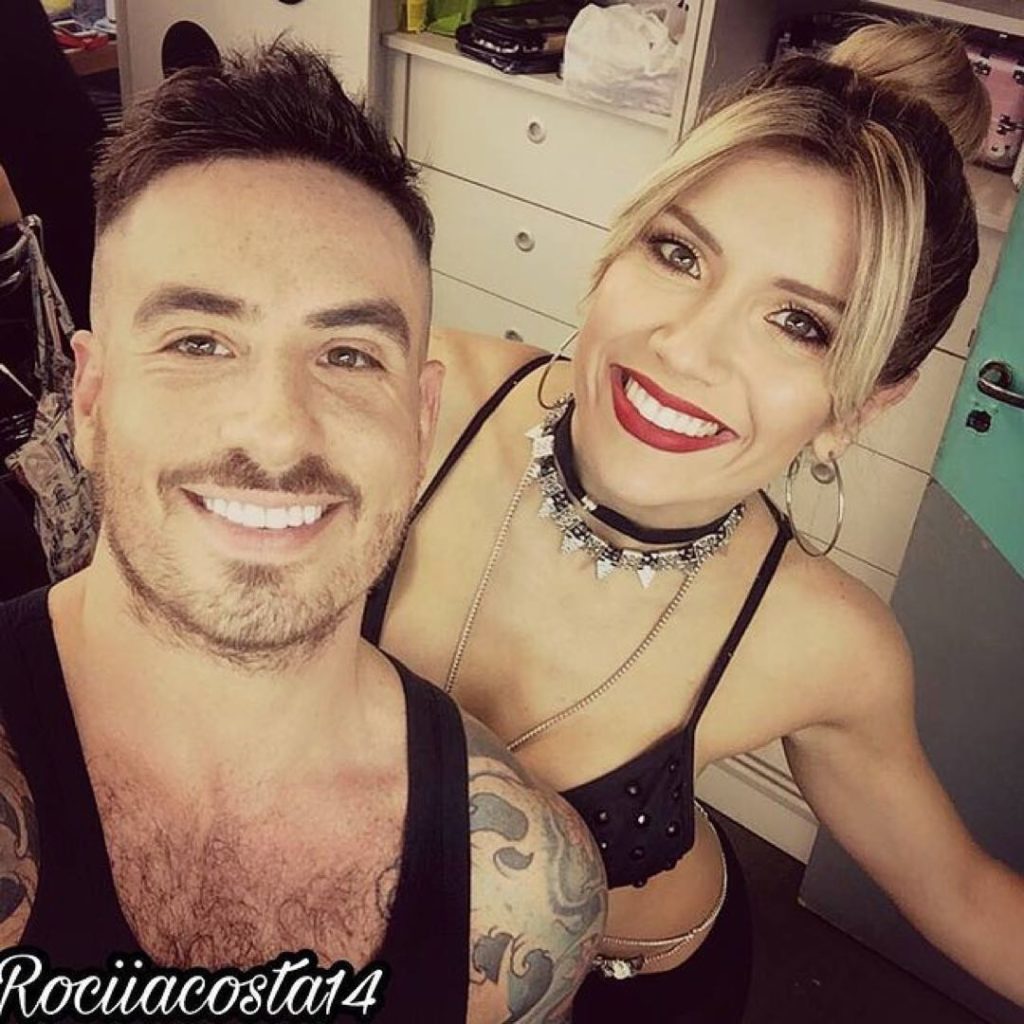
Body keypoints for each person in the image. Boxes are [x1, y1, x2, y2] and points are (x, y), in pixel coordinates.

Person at [361, 21, 1024, 1022]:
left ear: (861, 404)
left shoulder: (825, 645)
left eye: (799, 323)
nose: (688, 347)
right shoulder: (427, 399)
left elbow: (964, 894)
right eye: (678, 253)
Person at [0, 42, 606, 1024]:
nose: (279, 433)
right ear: (93, 397)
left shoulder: (523, 888)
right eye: (200, 342)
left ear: (420, 421)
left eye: (347, 355)